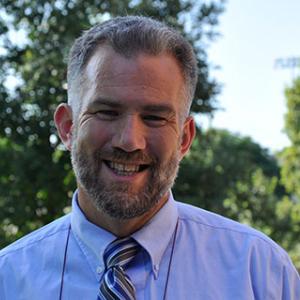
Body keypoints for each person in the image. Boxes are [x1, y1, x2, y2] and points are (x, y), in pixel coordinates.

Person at [0, 15, 299, 300]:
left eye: (155, 117)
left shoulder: (260, 274)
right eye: (106, 112)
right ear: (68, 127)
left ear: (184, 138)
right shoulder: (8, 279)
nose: (130, 141)